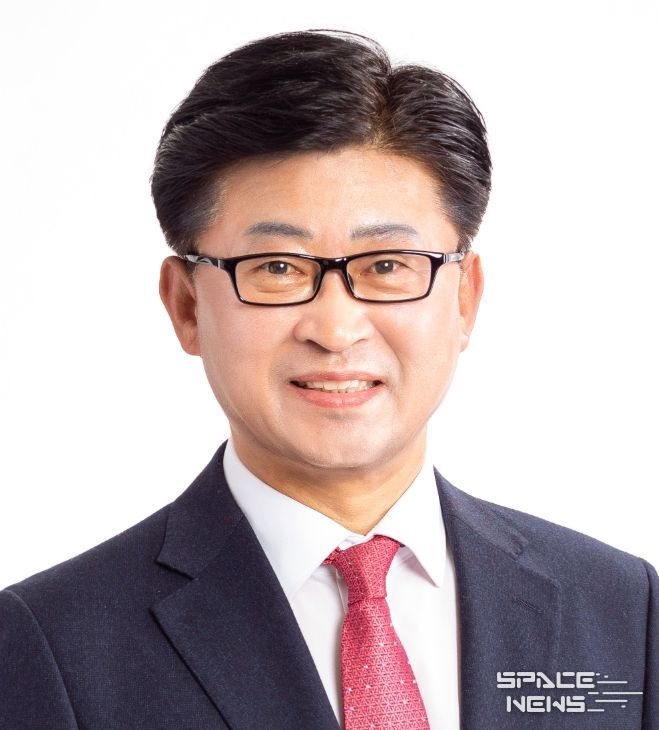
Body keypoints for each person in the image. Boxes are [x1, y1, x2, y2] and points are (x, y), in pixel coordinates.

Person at [0, 29, 655, 730]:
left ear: (464, 300)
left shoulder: (622, 609)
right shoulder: (51, 645)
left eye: (387, 266)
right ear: (187, 306)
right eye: (277, 268)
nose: (336, 329)